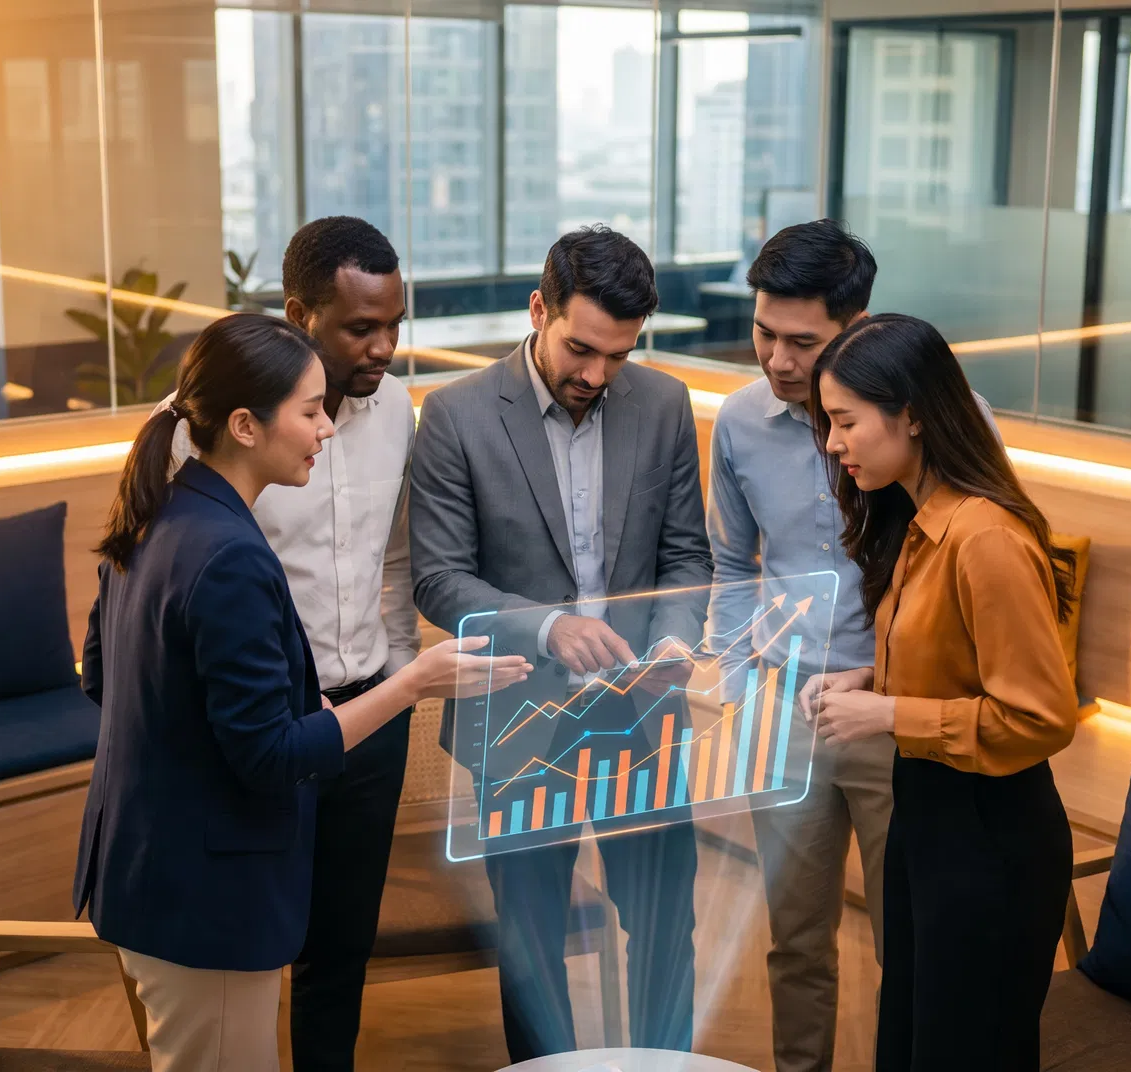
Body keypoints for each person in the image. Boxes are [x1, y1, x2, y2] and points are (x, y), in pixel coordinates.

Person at [74, 313, 529, 1072]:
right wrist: (416, 681)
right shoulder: (227, 556)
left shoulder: (166, 512)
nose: (326, 431)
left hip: (149, 871)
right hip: (204, 899)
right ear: (246, 426)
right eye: (311, 411)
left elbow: (102, 675)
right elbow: (271, 758)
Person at [409, 226, 713, 1061]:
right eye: (580, 349)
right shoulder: (454, 416)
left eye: (618, 356)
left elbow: (686, 555)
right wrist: (550, 626)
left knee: (662, 933)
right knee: (533, 945)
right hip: (517, 724)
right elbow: (438, 579)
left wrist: (677, 646)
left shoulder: (664, 404)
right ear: (538, 308)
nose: (595, 375)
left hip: (644, 719)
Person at [707, 218, 997, 1072]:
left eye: (804, 341)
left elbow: (974, 568)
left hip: (893, 714)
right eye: (764, 331)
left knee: (907, 939)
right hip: (782, 706)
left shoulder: (944, 420)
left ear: (858, 325)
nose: (778, 359)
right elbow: (732, 561)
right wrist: (731, 681)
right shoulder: (739, 423)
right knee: (794, 938)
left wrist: (898, 693)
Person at [159, 216, 417, 1072]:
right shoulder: (198, 433)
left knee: (341, 949)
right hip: (264, 728)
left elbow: (397, 556)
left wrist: (403, 668)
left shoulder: (396, 414)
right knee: (258, 943)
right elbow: (167, 583)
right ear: (299, 312)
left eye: (393, 324)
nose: (382, 347)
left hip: (372, 712)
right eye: (359, 328)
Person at [798, 313, 1078, 1071]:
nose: (832, 443)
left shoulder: (984, 538)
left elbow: (1040, 717)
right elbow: (955, 665)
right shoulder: (918, 521)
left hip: (990, 841)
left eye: (847, 422)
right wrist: (871, 679)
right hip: (930, 824)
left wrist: (886, 713)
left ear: (913, 414)